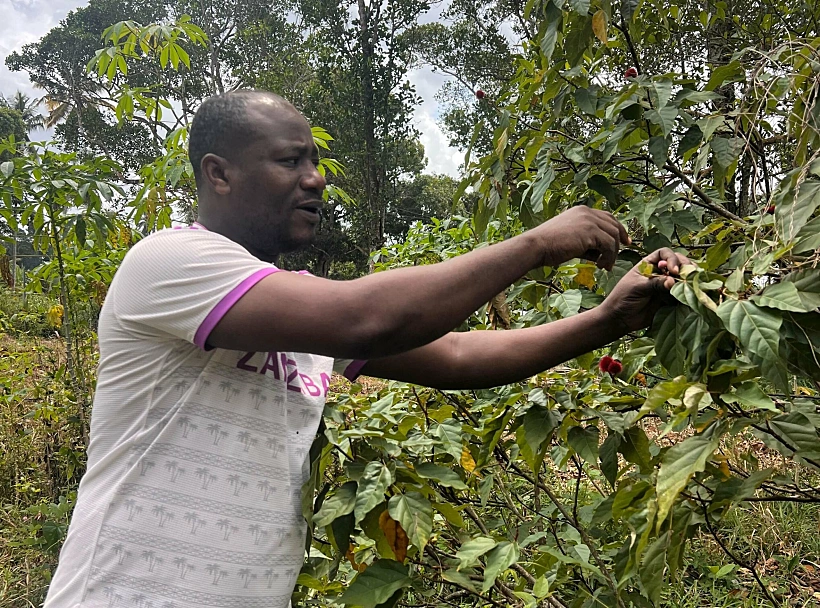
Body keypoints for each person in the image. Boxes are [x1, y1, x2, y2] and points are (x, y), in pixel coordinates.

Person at [43, 90, 687, 608]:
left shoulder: (291, 311)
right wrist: (537, 244)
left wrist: (608, 319)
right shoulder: (169, 261)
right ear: (220, 174)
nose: (315, 179)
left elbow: (458, 357)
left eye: (315, 161)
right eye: (290, 161)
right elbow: (366, 319)